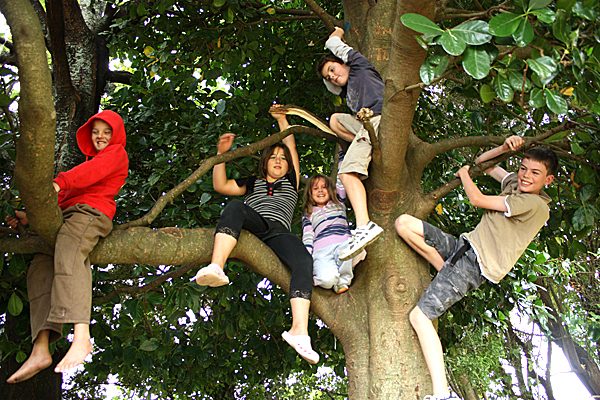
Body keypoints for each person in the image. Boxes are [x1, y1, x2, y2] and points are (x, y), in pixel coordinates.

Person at [394, 136, 558, 400]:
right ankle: (442, 266)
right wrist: (505, 148)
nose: (526, 176)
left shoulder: (535, 205)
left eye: (535, 173)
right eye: (523, 168)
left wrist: (463, 175)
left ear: (548, 180)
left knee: (419, 317)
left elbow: (478, 200)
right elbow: (484, 164)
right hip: (463, 247)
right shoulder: (517, 185)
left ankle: (443, 394)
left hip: (474, 265)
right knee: (404, 223)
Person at [6, 110, 129, 383]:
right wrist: (29, 216)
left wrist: (58, 183)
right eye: (95, 132)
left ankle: (82, 335)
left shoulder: (116, 154)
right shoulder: (90, 162)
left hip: (90, 214)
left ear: (116, 135)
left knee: (70, 253)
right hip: (70, 215)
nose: (100, 137)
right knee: (40, 265)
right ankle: (40, 348)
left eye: (106, 132)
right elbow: (67, 197)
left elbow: (85, 175)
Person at [193, 105, 319, 364]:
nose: (278, 161)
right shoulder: (253, 183)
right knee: (236, 207)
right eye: (273, 157)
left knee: (304, 262)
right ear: (265, 162)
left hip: (279, 232)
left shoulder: (291, 182)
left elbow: (290, 147)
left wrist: (282, 120)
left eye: (282, 159)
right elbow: (220, 185)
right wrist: (222, 155)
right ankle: (217, 266)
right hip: (256, 223)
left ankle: (299, 331)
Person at [316, 26, 384, 261]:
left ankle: (365, 226)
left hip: (378, 121)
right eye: (328, 76)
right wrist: (331, 80)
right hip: (367, 126)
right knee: (335, 120)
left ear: (343, 62)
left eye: (332, 69)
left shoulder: (358, 65)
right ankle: (364, 147)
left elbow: (334, 44)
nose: (332, 76)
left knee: (347, 174)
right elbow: (333, 85)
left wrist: (336, 33)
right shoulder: (348, 90)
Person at [302, 171, 366, 294]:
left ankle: (343, 280)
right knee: (327, 280)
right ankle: (329, 278)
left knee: (351, 248)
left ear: (331, 190)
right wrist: (307, 257)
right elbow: (308, 237)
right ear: (310, 193)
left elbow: (341, 180)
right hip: (321, 251)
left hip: (343, 242)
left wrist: (342, 155)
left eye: (324, 187)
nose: (320, 190)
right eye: (315, 188)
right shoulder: (308, 214)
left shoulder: (338, 202)